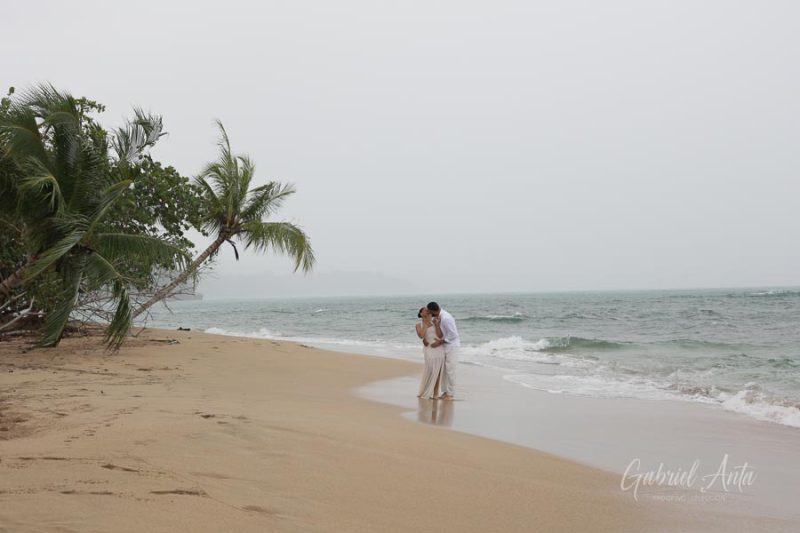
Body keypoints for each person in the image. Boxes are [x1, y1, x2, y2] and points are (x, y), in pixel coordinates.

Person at [425, 302, 460, 400]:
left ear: (432, 310)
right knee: (445, 371)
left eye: (429, 311)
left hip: (452, 347)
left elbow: (453, 334)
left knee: (450, 370)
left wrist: (441, 342)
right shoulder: (439, 318)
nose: (429, 313)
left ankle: (450, 394)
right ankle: (445, 392)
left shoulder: (446, 318)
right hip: (445, 346)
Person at [415, 307, 445, 399]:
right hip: (428, 348)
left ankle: (436, 394)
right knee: (431, 369)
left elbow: (441, 335)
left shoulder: (436, 321)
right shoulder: (418, 324)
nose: (427, 311)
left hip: (439, 347)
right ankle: (425, 390)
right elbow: (421, 335)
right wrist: (426, 323)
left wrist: (436, 325)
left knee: (438, 371)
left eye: (428, 310)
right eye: (425, 310)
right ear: (420, 313)